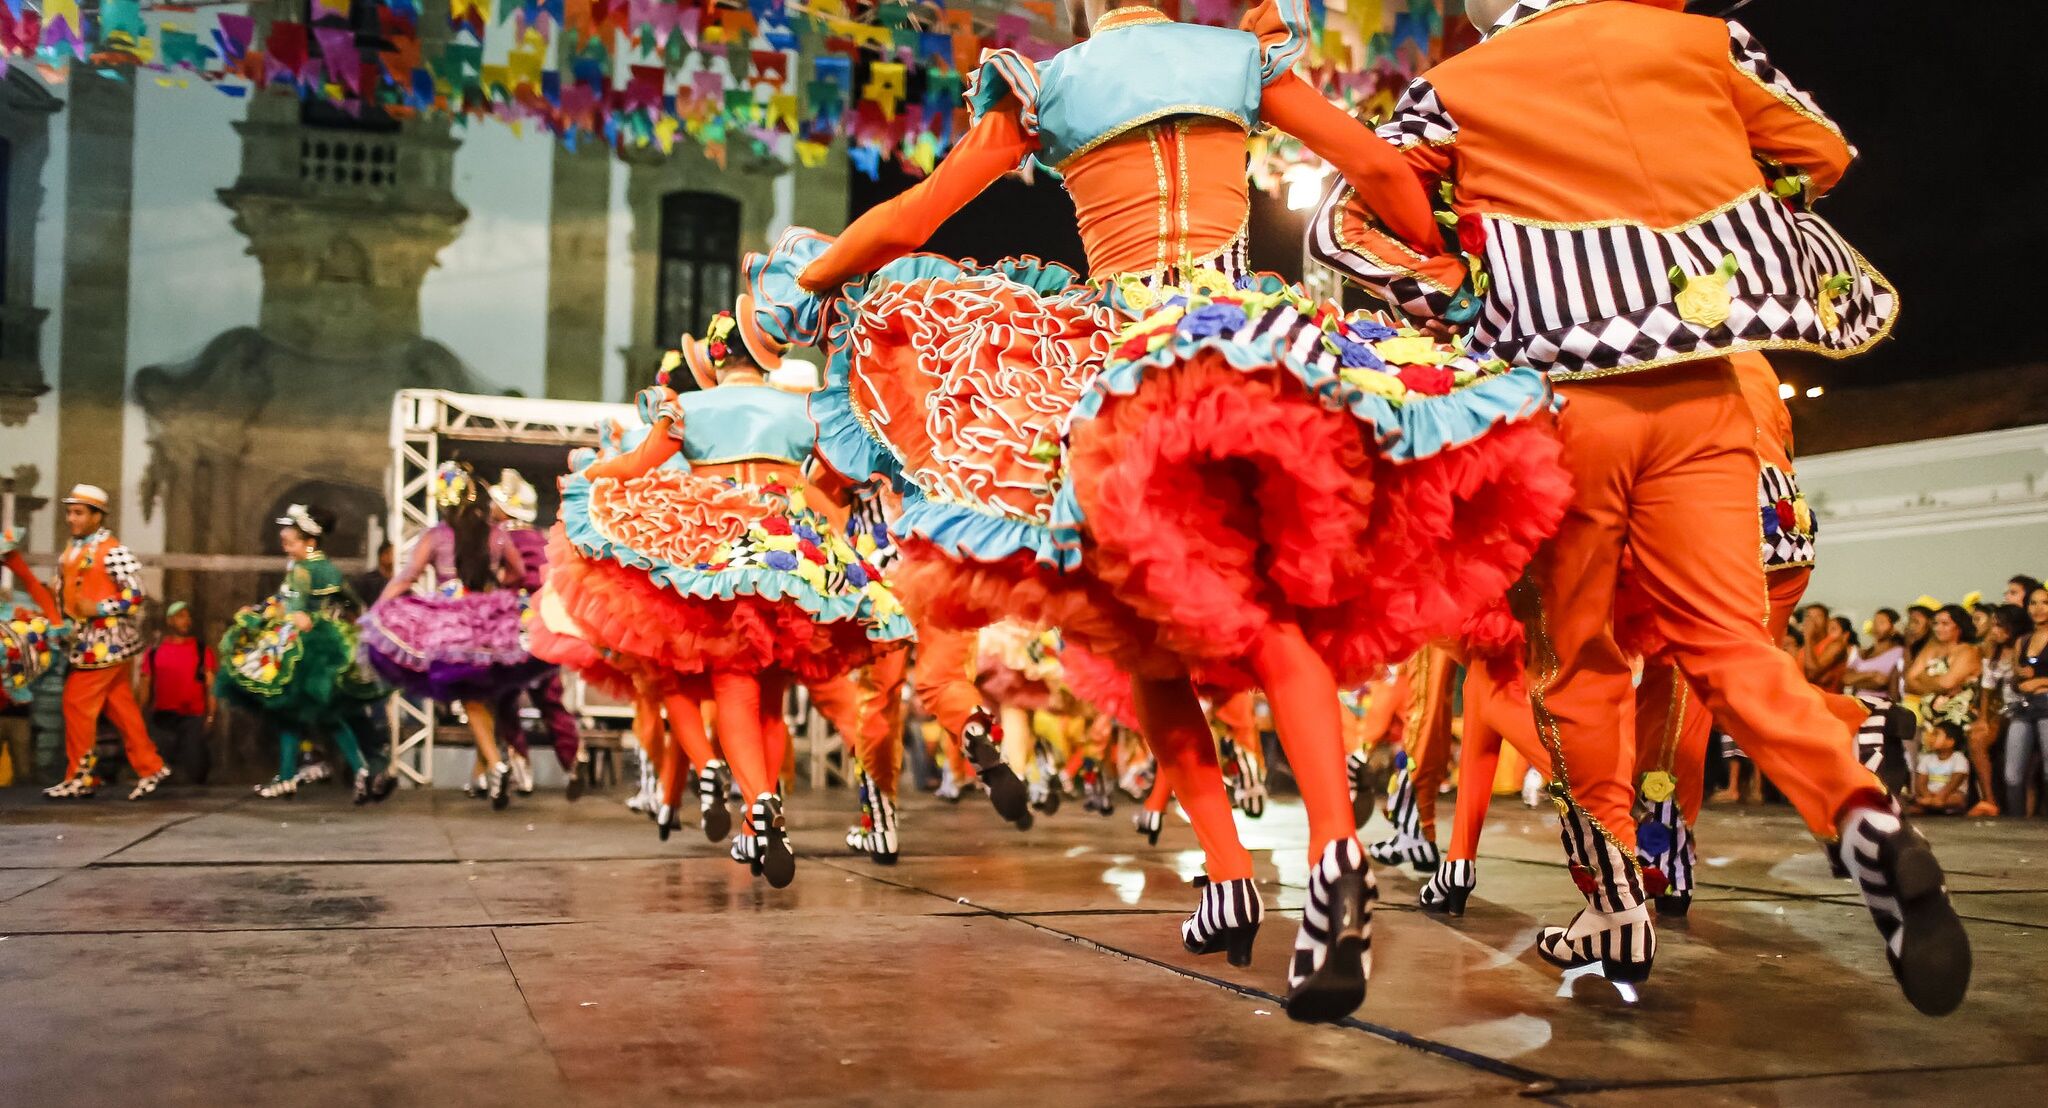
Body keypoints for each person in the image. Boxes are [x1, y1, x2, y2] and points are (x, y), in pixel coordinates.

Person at [745, 0, 1572, 1023]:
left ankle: (1258, 867)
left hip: (1126, 365)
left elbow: (911, 223)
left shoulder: (1046, 83)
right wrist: (1442, 268)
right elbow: (1383, 171)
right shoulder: (1236, 57)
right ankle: (1312, 858)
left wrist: (807, 281)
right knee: (1249, 612)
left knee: (1148, 632)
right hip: (1249, 348)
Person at [1313, 0, 1969, 1015]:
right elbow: (1818, 150)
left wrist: (1456, 284)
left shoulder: (1462, 81)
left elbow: (1341, 223)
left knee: (1574, 662)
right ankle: (1859, 815)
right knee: (1727, 647)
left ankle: (1613, 899)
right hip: (1707, 383)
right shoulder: (1699, 41)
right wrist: (1712, 202)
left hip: (1566, 401)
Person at [568, 313, 914, 883]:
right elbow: (840, 470)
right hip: (791, 554)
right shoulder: (802, 407)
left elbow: (636, 466)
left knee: (734, 680)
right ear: (766, 357)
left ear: (716, 361)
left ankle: (758, 807)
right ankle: (759, 821)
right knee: (773, 695)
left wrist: (593, 473)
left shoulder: (687, 408)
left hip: (723, 551)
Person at [359, 463, 551, 808]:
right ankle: (485, 770)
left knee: (471, 697)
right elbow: (519, 572)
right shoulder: (496, 533)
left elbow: (407, 576)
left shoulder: (436, 535)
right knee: (484, 696)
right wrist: (495, 590)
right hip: (493, 620)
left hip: (452, 623)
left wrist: (378, 609)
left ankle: (495, 765)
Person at [218, 504, 391, 801]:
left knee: (320, 713)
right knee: (296, 714)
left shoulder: (307, 569)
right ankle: (298, 774)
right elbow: (346, 602)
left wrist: (263, 616)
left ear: (310, 542)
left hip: (308, 652)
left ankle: (352, 768)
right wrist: (262, 609)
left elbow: (297, 611)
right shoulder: (317, 567)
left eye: (292, 537)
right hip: (318, 646)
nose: (284, 537)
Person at [42, 485, 170, 801]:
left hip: (105, 641)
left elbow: (135, 593)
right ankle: (150, 766)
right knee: (119, 704)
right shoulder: (73, 550)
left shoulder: (113, 551)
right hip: (87, 638)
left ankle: (81, 775)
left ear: (97, 516)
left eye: (79, 512)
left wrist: (99, 608)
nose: (71, 518)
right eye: (70, 512)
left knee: (76, 701)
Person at [487, 468, 583, 798]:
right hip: (542, 628)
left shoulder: (499, 540)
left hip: (506, 629)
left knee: (504, 697)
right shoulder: (544, 541)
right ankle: (572, 761)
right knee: (550, 697)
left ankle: (520, 767)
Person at [138, 601, 216, 784]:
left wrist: (211, 715)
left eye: (188, 616)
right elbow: (145, 686)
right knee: (161, 772)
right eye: (181, 616)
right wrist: (140, 717)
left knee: (196, 769)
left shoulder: (202, 650)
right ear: (170, 621)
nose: (186, 621)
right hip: (162, 719)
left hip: (192, 717)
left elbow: (211, 685)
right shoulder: (154, 652)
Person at [2004, 587, 2048, 818]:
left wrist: (2040, 681)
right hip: (2024, 705)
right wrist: (2020, 679)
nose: (2038, 609)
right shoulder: (2022, 641)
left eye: (2044, 603)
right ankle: (2016, 823)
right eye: (2033, 603)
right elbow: (2013, 681)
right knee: (2013, 775)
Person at [1905, 604, 1982, 733]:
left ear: (1959, 626)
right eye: (1935, 623)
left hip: (1957, 725)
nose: (1938, 628)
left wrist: (1923, 677)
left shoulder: (1968, 651)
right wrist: (1937, 683)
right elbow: (1909, 682)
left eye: (1945, 624)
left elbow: (1946, 683)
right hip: (1931, 724)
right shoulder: (1931, 648)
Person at [1909, 722, 1972, 816]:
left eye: (1935, 734)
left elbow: (1956, 780)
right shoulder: (1927, 758)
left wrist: (1941, 795)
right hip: (1930, 794)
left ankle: (1932, 807)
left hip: (1950, 794)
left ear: (1950, 742)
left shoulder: (1958, 757)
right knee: (1915, 800)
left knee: (1958, 799)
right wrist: (1928, 796)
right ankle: (1935, 806)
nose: (1930, 738)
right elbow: (1921, 782)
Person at [1797, 605, 1849, 693]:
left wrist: (1808, 636)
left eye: (1818, 616)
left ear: (1827, 621)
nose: (1813, 621)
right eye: (1809, 617)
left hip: (1828, 702)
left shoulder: (1836, 645)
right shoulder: (1803, 649)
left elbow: (1812, 674)